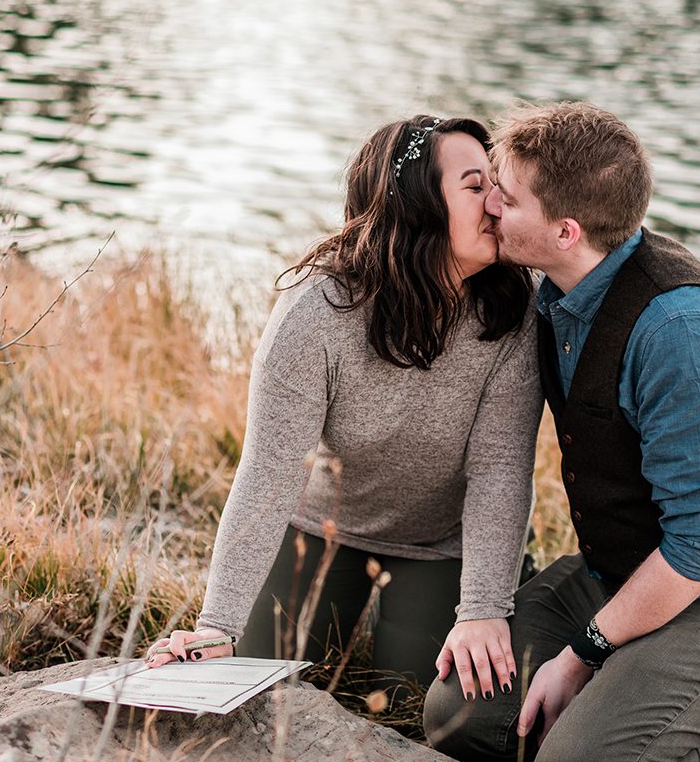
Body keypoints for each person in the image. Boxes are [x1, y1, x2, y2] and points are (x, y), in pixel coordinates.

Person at [423, 102, 700, 762]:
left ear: (565, 231)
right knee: (459, 715)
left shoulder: (681, 333)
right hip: (628, 570)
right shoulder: (555, 288)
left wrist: (586, 653)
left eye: (507, 194)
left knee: (574, 755)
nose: (490, 204)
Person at [143, 116, 543, 705]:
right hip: (321, 530)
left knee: (416, 701)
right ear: (414, 207)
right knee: (249, 681)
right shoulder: (316, 312)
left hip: (443, 541)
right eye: (475, 184)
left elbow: (500, 469)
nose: (498, 203)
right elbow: (267, 473)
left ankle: (508, 587)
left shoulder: (516, 308)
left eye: (497, 183)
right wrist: (219, 624)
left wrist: (483, 608)